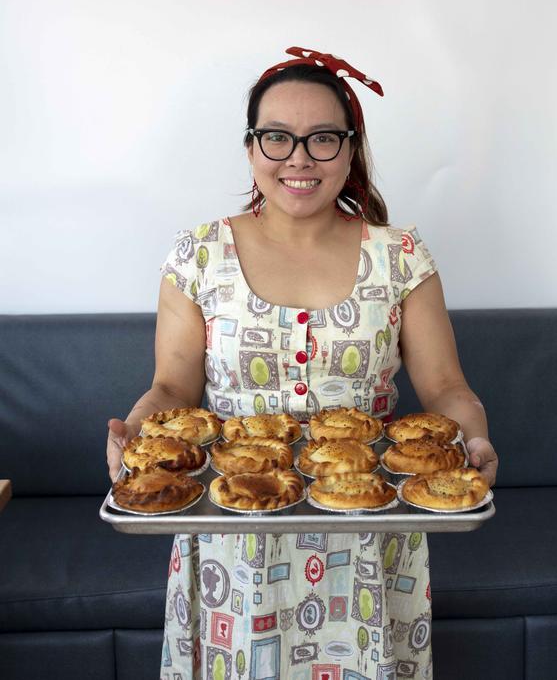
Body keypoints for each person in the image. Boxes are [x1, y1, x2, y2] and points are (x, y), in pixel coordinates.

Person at [106, 46, 498, 680]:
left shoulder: (400, 256)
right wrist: (136, 436)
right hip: (235, 541)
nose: (299, 159)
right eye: (277, 138)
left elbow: (447, 388)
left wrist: (474, 438)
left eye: (322, 139)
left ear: (351, 149)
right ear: (251, 147)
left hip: (369, 537)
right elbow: (169, 388)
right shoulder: (199, 254)